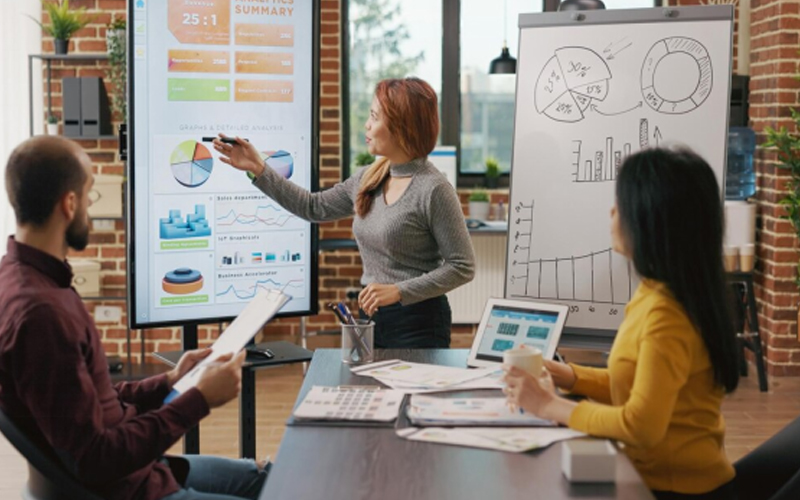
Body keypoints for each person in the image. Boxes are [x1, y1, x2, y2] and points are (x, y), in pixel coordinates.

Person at [0, 136, 267, 500]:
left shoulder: (22, 279)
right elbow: (96, 458)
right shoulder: (42, 315)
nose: (89, 211)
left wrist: (171, 381)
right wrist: (199, 400)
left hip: (146, 469)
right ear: (70, 203)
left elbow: (91, 400)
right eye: (89, 196)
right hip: (134, 488)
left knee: (267, 477)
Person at [504, 147, 740, 500]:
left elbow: (640, 425)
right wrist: (569, 376)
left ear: (651, 219)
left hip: (677, 489)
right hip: (648, 477)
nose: (612, 213)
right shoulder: (656, 291)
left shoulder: (667, 315)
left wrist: (549, 405)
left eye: (620, 204)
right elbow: (635, 382)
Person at [214, 77, 475, 348]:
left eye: (375, 116)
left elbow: (462, 266)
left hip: (419, 322)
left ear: (402, 126)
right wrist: (258, 167)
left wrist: (398, 291)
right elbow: (312, 207)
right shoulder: (369, 177)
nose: (367, 124)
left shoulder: (434, 189)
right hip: (372, 316)